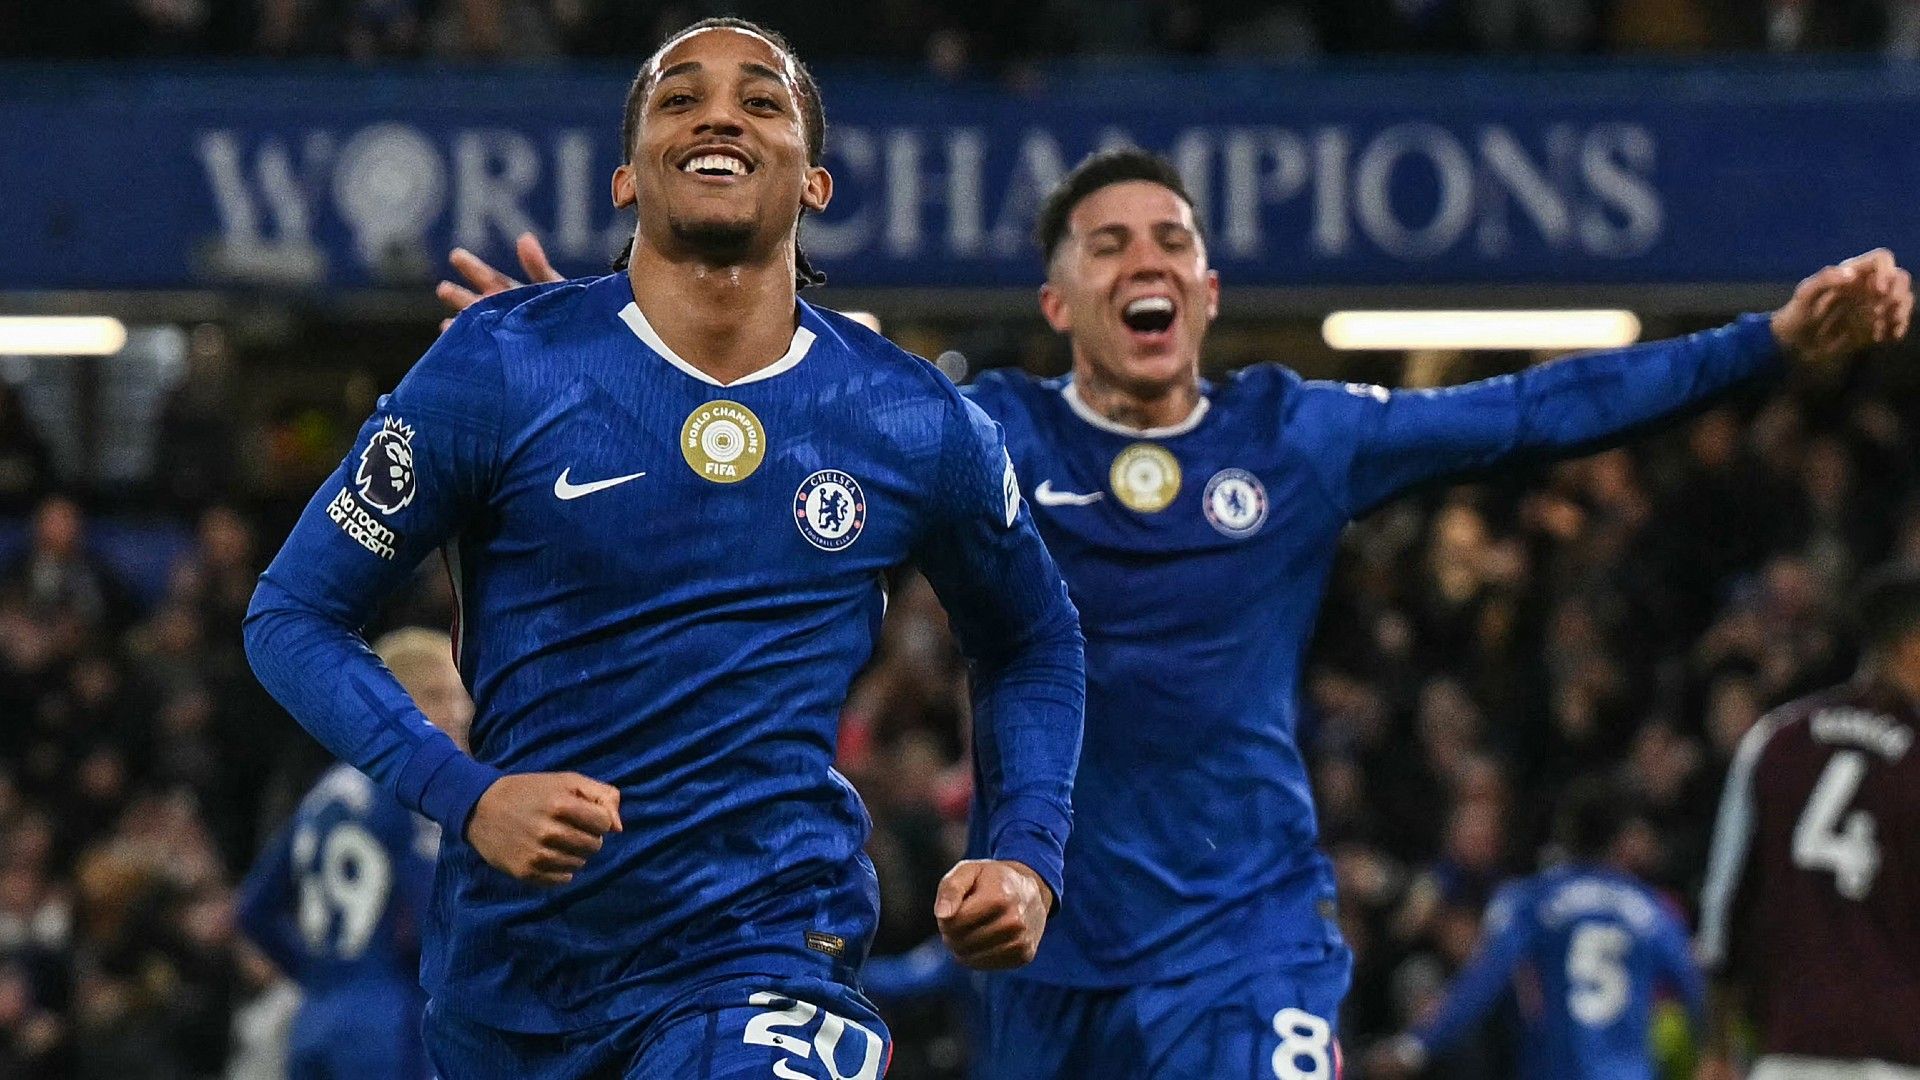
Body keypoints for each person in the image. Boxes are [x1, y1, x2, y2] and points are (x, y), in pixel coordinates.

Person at [442, 149, 1911, 1077]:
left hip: (1247, 935)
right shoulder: (983, 435)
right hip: (1037, 937)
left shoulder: (1299, 438)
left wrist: (1768, 341)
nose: (1144, 258)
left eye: (1170, 241)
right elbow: (761, 397)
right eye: (1107, 244)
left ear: (1207, 289)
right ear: (1061, 300)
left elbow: (1542, 410)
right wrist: (575, 356)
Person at [245, 18, 1085, 1080]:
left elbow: (1033, 641)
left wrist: (1025, 854)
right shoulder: (500, 369)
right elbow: (292, 616)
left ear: (816, 183)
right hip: (515, 983)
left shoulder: (913, 418)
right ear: (624, 178)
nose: (720, 113)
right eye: (679, 98)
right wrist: (468, 795)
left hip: (769, 951)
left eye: (762, 99)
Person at [1696, 566, 1920, 1080]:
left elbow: (1723, 913)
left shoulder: (1774, 740)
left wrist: (1716, 1048)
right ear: (1911, 647)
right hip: (1902, 1055)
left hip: (1792, 1052)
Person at [236, 628, 469, 1080]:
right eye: (438, 696)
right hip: (388, 1024)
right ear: (396, 702)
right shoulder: (405, 793)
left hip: (316, 1020)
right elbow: (433, 922)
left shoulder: (324, 794)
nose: (457, 714)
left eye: (460, 698)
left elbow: (253, 910)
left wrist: (322, 976)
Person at [1366, 780, 1705, 1079]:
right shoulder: (1652, 910)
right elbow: (1693, 988)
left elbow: (1483, 980)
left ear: (1564, 835)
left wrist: (1417, 1045)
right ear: (1620, 841)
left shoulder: (1529, 901)